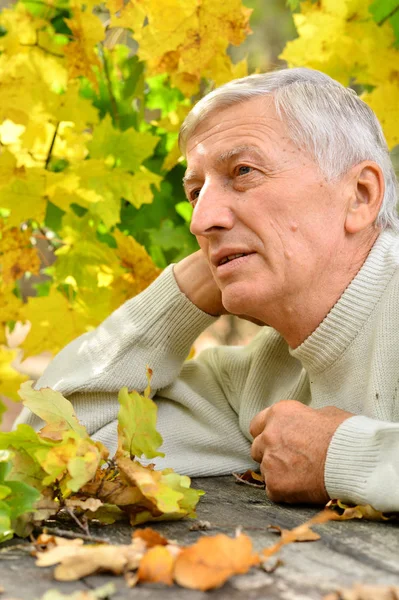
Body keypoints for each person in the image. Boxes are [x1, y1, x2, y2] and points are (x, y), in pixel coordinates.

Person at [16, 68, 399, 511]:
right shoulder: (254, 379)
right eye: (196, 192)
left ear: (361, 194)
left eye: (243, 171)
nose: (202, 221)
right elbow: (43, 460)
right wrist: (181, 295)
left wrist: (342, 456)